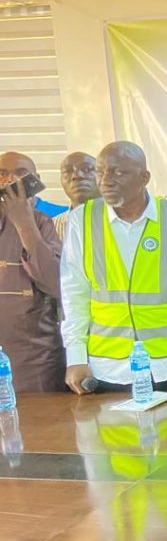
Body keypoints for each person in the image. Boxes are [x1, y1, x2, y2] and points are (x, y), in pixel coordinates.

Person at [60, 141, 167, 393]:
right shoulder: (82, 220)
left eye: (118, 172)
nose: (106, 180)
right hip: (110, 367)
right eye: (101, 172)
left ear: (144, 178)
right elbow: (74, 295)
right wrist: (76, 358)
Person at [0, 164, 63, 392]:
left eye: (20, 173)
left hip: (34, 364)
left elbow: (56, 285)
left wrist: (24, 223)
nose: (9, 180)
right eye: (2, 173)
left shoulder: (41, 222)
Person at [54, 151, 100, 241]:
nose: (77, 175)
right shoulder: (51, 228)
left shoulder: (125, 221)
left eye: (86, 169)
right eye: (68, 171)